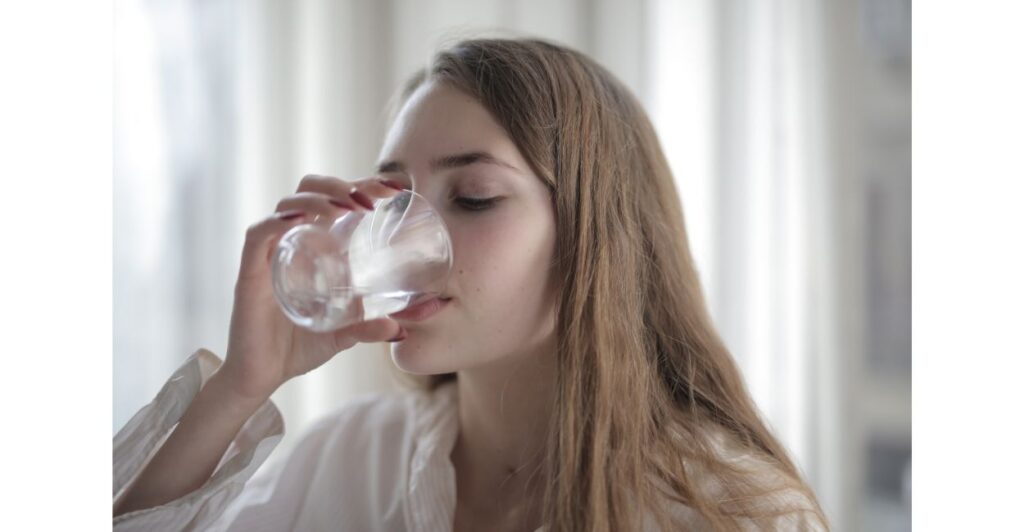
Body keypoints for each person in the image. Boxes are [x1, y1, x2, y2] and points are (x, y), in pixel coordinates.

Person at [112, 38, 829, 531]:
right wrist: (240, 387)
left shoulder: (732, 512)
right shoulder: (351, 460)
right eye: (390, 199)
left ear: (594, 237)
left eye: (475, 196)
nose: (399, 237)